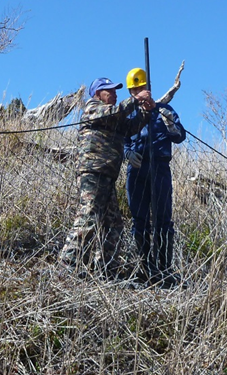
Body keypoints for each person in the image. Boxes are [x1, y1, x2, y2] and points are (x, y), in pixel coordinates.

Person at [59, 76, 155, 279]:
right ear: (97, 93)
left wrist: (146, 110)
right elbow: (116, 111)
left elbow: (131, 127)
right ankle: (67, 266)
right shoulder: (93, 108)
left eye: (115, 91)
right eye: (109, 90)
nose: (114, 94)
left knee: (113, 225)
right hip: (93, 171)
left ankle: (105, 270)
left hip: (107, 175)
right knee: (88, 217)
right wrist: (136, 99)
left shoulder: (113, 117)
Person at [123, 68, 186, 288]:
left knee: (163, 220)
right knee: (139, 220)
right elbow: (121, 138)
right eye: (134, 90)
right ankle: (143, 269)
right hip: (137, 169)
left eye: (140, 88)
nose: (137, 93)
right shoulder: (129, 114)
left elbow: (179, 137)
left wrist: (170, 124)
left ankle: (164, 269)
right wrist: (127, 153)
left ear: (148, 88)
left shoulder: (164, 110)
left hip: (160, 168)